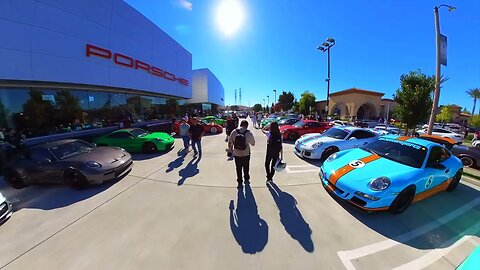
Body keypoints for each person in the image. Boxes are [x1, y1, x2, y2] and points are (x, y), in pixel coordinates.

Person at [229, 120, 255, 188]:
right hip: (246, 153)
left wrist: (231, 151)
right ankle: (246, 178)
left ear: (240, 124)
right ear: (247, 125)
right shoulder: (249, 133)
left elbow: (230, 142)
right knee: (246, 167)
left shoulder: (234, 132)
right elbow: (253, 143)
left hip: (237, 154)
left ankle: (239, 181)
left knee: (238, 168)